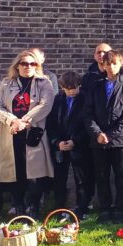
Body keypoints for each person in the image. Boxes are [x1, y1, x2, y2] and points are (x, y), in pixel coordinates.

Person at [0, 50, 54, 217]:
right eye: (24, 63)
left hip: (33, 133)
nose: (28, 66)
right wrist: (13, 121)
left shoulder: (44, 83)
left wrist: (24, 121)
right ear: (17, 66)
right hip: (11, 133)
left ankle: (34, 208)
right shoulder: (6, 83)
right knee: (15, 172)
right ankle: (19, 208)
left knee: (35, 173)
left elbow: (46, 104)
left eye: (33, 64)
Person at [85, 49, 123, 222]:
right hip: (99, 140)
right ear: (103, 65)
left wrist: (111, 134)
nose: (111, 67)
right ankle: (105, 208)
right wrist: (98, 133)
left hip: (121, 140)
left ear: (121, 63)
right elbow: (88, 112)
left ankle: (120, 208)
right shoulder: (96, 85)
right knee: (101, 176)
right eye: (108, 64)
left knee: (122, 176)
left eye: (114, 63)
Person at [47, 71, 90, 212]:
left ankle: (82, 207)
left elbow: (88, 124)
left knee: (81, 178)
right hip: (61, 145)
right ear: (62, 87)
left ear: (79, 86)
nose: (72, 91)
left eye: (75, 88)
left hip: (80, 145)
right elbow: (51, 124)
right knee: (59, 178)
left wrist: (75, 141)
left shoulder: (85, 99)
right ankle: (59, 208)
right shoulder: (57, 100)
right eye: (68, 88)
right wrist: (57, 142)